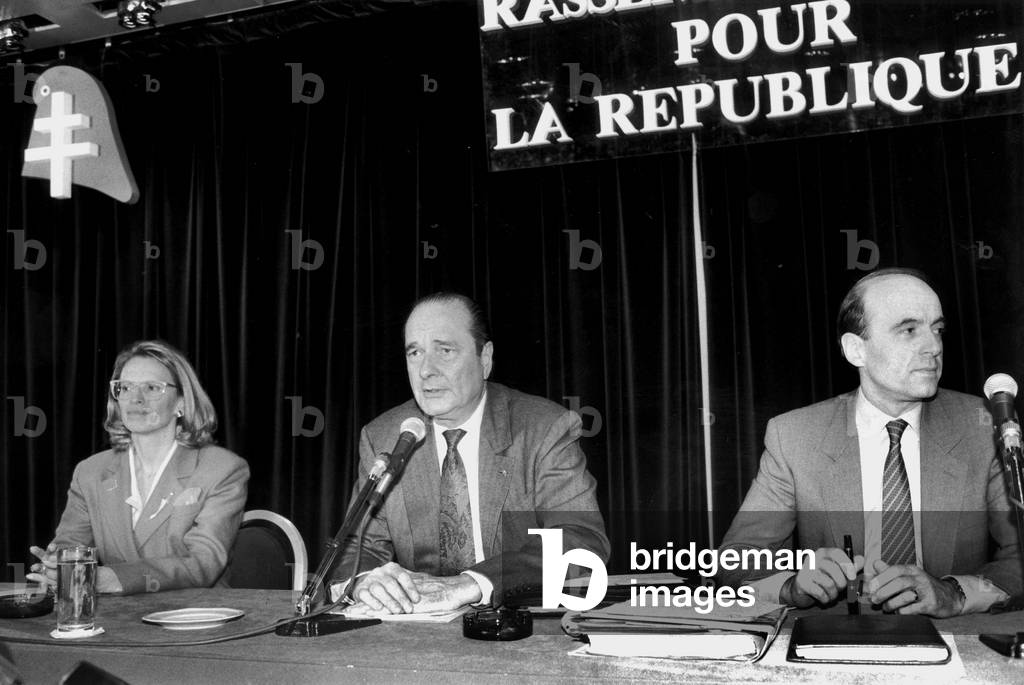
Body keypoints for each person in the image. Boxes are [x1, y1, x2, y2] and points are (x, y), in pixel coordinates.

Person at [717, 268, 1022, 617]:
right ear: (855, 350)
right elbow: (736, 557)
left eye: (937, 329)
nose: (933, 347)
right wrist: (792, 585)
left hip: (955, 644)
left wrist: (954, 592)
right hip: (836, 643)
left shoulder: (982, 426)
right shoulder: (795, 436)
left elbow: (1020, 555)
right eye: (909, 330)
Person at [332, 292, 609, 614]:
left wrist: (471, 584)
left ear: (485, 358)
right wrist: (367, 581)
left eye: (444, 351)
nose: (425, 370)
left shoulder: (543, 428)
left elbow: (581, 540)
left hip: (519, 624)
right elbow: (355, 546)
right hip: (420, 636)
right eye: (415, 352)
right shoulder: (385, 436)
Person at [27, 340, 249, 595]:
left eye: (152, 388)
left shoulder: (222, 469)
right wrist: (58, 566)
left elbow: (203, 564)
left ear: (181, 402)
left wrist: (110, 578)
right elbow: (70, 545)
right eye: (125, 387)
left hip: (193, 619)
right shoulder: (90, 472)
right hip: (116, 622)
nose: (136, 398)